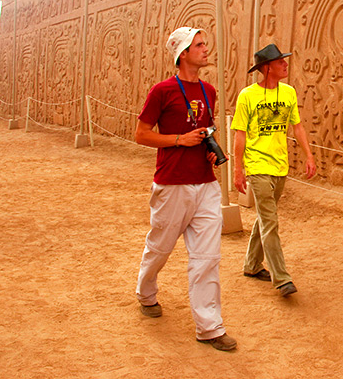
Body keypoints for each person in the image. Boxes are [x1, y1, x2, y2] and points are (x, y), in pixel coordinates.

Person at [134, 26, 236, 352]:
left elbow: (205, 128)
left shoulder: (209, 90)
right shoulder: (162, 91)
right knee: (161, 247)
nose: (206, 49)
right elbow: (142, 134)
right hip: (172, 183)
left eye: (205, 43)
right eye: (199, 44)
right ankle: (145, 291)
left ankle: (210, 327)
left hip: (205, 184)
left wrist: (211, 148)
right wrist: (179, 140)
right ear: (182, 53)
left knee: (207, 257)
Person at [231, 43, 317, 297]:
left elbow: (297, 127)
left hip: (280, 166)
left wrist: (309, 156)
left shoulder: (289, 93)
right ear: (267, 68)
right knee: (271, 220)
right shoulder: (247, 96)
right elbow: (240, 134)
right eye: (280, 62)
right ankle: (281, 278)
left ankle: (251, 264)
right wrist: (239, 169)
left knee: (265, 218)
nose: (285, 64)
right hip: (257, 165)